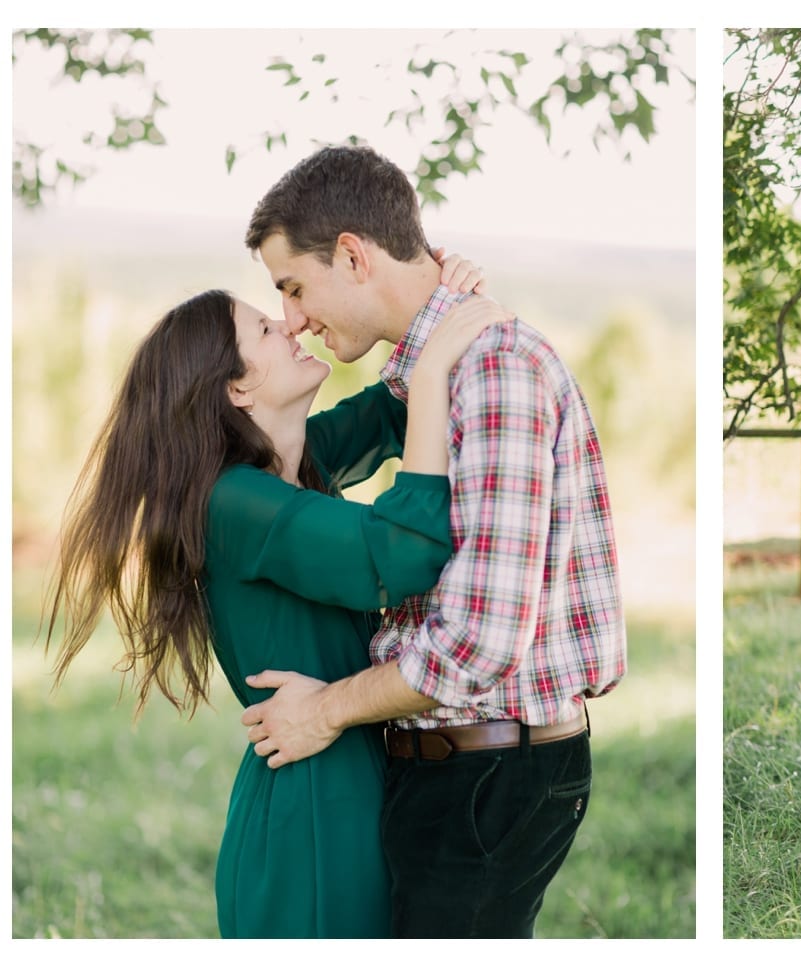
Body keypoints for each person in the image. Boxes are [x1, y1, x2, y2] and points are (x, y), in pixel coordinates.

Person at [43, 257, 513, 937]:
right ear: (236, 386)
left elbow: (387, 414)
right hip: (313, 813)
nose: (291, 325)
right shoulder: (234, 500)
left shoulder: (292, 465)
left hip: (343, 777)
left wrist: (446, 305)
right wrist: (436, 366)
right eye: (265, 328)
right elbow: (398, 553)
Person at [236, 144, 628, 939]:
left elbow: (478, 644)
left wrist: (326, 712)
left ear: (352, 254)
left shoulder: (493, 371)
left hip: (487, 771)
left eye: (294, 287)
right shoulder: (441, 374)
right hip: (454, 762)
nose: (296, 318)